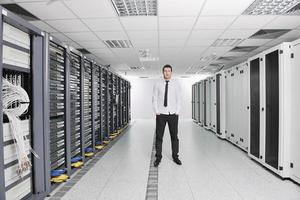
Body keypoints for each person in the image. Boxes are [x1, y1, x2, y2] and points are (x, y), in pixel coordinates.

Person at [152, 64, 182, 167]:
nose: (167, 72)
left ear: (171, 72)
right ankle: (158, 157)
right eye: (165, 71)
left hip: (173, 114)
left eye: (169, 71)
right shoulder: (157, 84)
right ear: (163, 72)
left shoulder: (176, 84)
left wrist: (177, 111)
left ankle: (175, 156)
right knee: (159, 137)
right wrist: (156, 111)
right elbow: (154, 98)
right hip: (161, 114)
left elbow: (179, 99)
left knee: (174, 137)